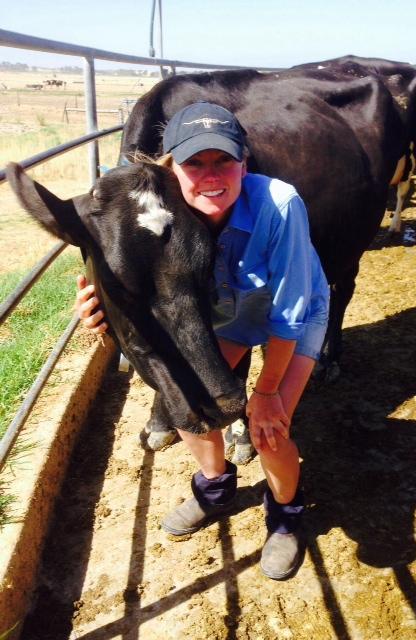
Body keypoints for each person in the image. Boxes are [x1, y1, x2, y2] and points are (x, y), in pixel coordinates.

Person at [76, 102, 330, 580]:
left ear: (245, 163)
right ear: (171, 169)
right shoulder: (151, 207)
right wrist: (93, 301)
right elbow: (105, 258)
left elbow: (289, 311)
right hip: (225, 312)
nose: (211, 176)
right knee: (187, 406)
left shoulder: (279, 205)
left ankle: (286, 518)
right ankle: (215, 488)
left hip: (291, 311)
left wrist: (268, 390)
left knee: (268, 428)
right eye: (195, 162)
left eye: (224, 161)